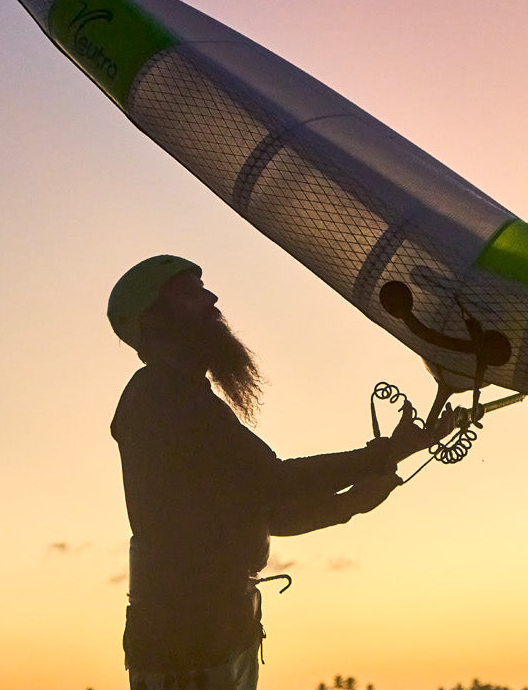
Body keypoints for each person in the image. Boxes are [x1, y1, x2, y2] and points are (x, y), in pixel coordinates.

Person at [106, 255, 449, 690]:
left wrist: (352, 501)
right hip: (187, 647)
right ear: (153, 321)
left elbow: (271, 513)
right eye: (190, 293)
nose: (212, 299)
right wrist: (383, 455)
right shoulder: (159, 395)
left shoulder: (184, 399)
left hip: (220, 635)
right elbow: (274, 481)